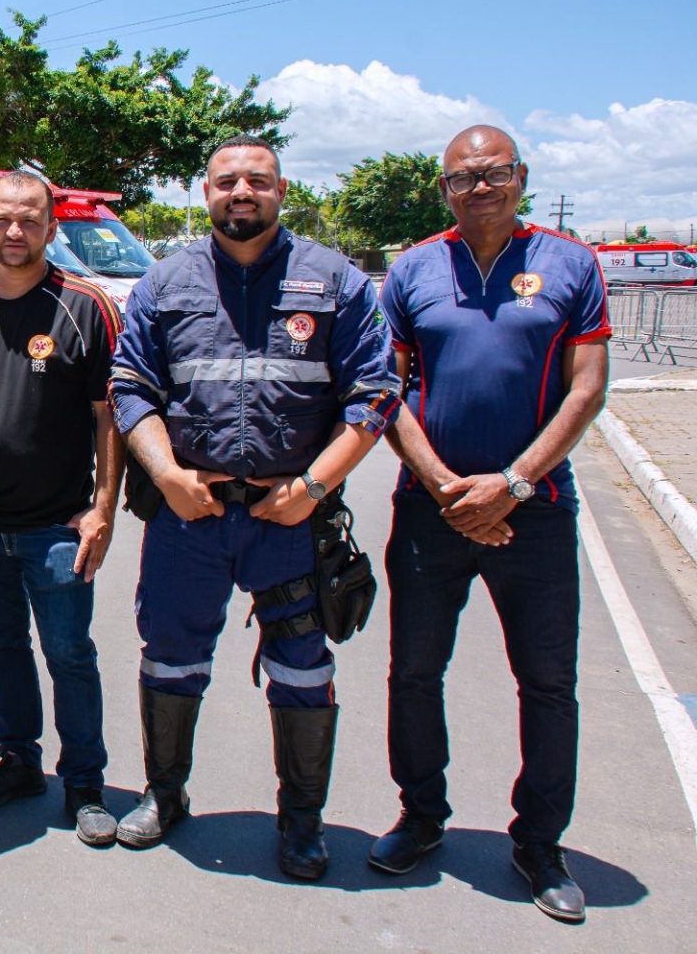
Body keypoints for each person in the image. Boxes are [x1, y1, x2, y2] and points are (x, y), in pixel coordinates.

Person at [108, 134, 400, 878]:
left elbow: (374, 395)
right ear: (205, 192)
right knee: (169, 658)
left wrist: (313, 489)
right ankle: (164, 794)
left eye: (258, 181)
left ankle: (302, 821)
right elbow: (130, 386)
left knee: (302, 667)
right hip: (190, 515)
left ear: (281, 191)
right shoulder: (163, 282)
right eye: (227, 180)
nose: (242, 192)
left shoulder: (335, 281)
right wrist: (168, 475)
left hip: (290, 517)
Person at [368, 125, 609, 923]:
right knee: (414, 671)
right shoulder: (413, 270)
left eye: (494, 173)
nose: (480, 187)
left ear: (521, 176)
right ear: (444, 189)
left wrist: (511, 483)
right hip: (429, 508)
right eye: (463, 178)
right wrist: (446, 487)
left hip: (535, 510)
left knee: (547, 682)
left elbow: (586, 389)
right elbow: (385, 388)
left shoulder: (572, 264)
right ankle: (421, 814)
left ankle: (539, 842)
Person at [0, 171, 124, 846]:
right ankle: (19, 761)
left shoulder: (85, 305)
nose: (15, 231)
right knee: (2, 646)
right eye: (3, 219)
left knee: (69, 654)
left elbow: (110, 414)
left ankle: (84, 782)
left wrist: (104, 505)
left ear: (52, 228)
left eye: (30, 220)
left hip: (58, 525)